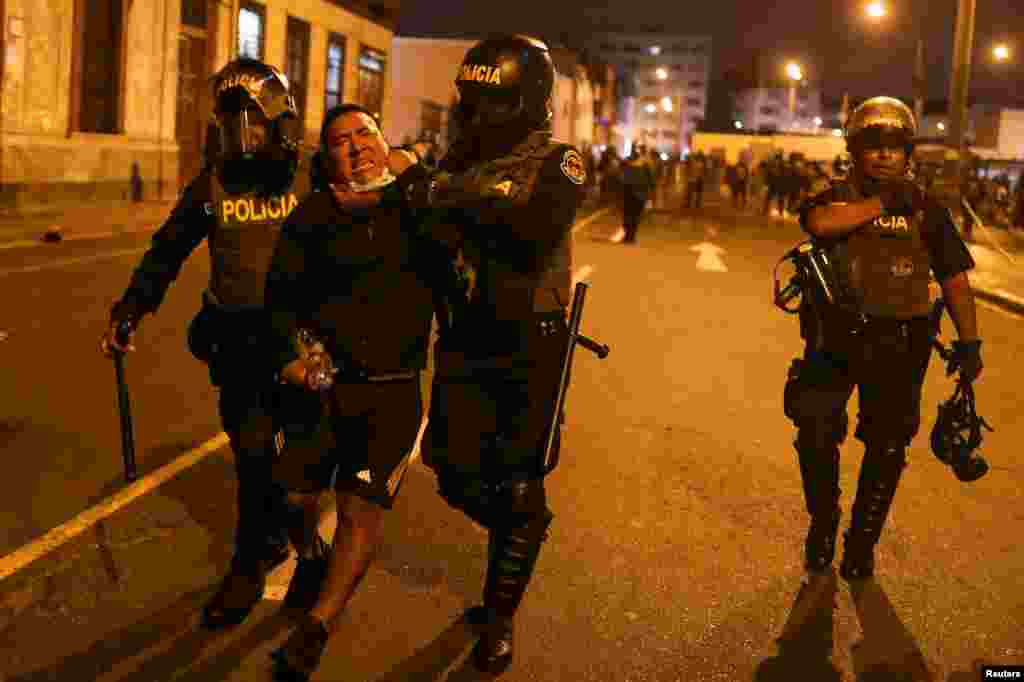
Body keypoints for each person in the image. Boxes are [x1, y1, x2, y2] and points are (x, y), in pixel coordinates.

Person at [100, 58, 310, 629]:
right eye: (233, 121)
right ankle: (250, 562)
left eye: (256, 121)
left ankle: (293, 543)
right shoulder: (213, 183)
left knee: (302, 471)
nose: (245, 135)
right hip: (240, 344)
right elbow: (167, 250)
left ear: (282, 122)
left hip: (301, 347)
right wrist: (130, 310)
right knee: (252, 456)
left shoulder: (310, 178)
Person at [412, 34, 586, 674]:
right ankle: (521, 529)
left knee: (516, 481)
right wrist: (476, 196)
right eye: (474, 99)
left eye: (494, 100)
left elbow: (531, 232)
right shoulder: (457, 158)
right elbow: (426, 231)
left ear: (526, 100)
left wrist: (452, 198)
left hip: (528, 340)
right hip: (464, 333)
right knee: (448, 468)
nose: (479, 113)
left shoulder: (561, 160)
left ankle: (499, 614)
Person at [263, 104, 445, 681]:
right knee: (294, 500)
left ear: (385, 143)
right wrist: (290, 355)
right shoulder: (313, 216)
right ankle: (310, 558)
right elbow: (279, 298)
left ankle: (315, 628)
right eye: (341, 140)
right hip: (324, 389)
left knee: (359, 513)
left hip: (390, 395)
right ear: (327, 158)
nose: (356, 146)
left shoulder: (420, 206)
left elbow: (455, 272)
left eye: (366, 133)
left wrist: (406, 181)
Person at [786, 96, 983, 581]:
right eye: (873, 146)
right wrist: (879, 204)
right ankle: (824, 522)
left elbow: (955, 276)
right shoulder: (832, 193)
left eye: (893, 147)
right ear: (855, 150)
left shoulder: (927, 208)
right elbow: (819, 223)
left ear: (907, 153)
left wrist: (970, 341)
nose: (883, 155)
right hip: (833, 341)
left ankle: (862, 542)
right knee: (814, 433)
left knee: (888, 446)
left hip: (900, 344)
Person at [620, 148, 655, 243]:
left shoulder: (628, 167)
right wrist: (650, 194)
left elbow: (622, 181)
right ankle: (631, 236)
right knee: (635, 217)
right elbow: (652, 182)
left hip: (629, 196)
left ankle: (628, 236)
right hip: (640, 196)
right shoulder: (645, 166)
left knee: (628, 216)